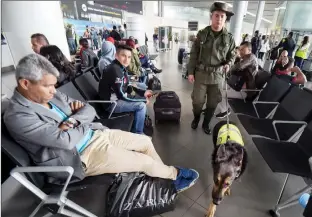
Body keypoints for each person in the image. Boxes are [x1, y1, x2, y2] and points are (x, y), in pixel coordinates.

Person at [4, 53, 199, 191]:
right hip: (81, 156)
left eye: (54, 85)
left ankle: (164, 178)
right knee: (144, 162)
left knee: (145, 142)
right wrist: (76, 121)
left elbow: (88, 108)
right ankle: (174, 176)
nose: (54, 91)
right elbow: (64, 142)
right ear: (25, 83)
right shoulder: (17, 116)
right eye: (47, 86)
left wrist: (70, 122)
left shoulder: (51, 96)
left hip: (96, 133)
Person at [187, 2, 236, 134]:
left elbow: (233, 55)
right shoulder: (202, 34)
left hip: (218, 77)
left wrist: (228, 64)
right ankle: (196, 118)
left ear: (225, 19)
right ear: (211, 16)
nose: (219, 19)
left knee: (212, 104)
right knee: (197, 102)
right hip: (201, 74)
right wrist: (190, 72)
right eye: (216, 15)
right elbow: (194, 54)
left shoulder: (229, 38)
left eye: (222, 16)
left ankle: (206, 123)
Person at [99, 44, 151, 134]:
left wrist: (143, 93)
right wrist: (142, 99)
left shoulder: (120, 67)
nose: (127, 59)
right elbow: (122, 95)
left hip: (116, 98)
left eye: (129, 57)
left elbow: (127, 87)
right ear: (116, 55)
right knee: (141, 106)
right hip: (111, 104)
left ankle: (138, 127)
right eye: (123, 56)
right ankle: (138, 134)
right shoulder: (115, 70)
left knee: (141, 93)